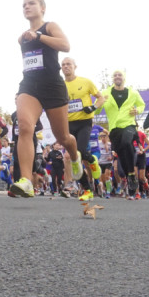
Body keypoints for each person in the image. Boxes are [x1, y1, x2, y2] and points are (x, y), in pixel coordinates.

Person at [9, 0, 81, 198]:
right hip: (30, 85)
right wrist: (31, 37)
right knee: (24, 126)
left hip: (52, 86)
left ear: (43, 8)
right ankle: (25, 181)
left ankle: (74, 158)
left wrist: (39, 36)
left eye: (31, 3)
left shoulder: (49, 26)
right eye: (23, 5)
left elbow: (65, 46)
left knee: (63, 137)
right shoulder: (21, 37)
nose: (26, 7)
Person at [90, 70, 145, 199]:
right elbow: (97, 111)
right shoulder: (105, 93)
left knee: (127, 142)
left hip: (129, 124)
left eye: (119, 75)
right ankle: (129, 176)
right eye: (115, 75)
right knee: (122, 154)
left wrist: (137, 110)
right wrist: (100, 102)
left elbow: (141, 105)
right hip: (114, 128)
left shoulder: (133, 92)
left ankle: (131, 174)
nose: (117, 77)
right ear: (112, 79)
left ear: (124, 78)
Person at [61, 57, 102, 200]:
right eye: (63, 65)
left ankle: (92, 161)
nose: (66, 67)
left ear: (74, 66)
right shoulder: (60, 85)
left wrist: (93, 107)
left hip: (85, 121)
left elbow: (101, 98)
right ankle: (87, 190)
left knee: (82, 151)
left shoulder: (85, 82)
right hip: (69, 124)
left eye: (68, 64)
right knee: (74, 158)